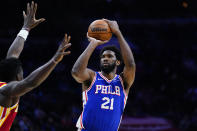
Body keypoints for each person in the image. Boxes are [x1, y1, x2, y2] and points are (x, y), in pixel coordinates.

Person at [0, 1, 71, 130]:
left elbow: (13, 55)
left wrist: (25, 28)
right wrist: (54, 60)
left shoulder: (4, 82)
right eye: (22, 72)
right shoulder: (6, 92)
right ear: (17, 76)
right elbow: (29, 83)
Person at [71, 19, 136, 131]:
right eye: (103, 57)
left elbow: (130, 64)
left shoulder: (123, 82)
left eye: (110, 56)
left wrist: (118, 33)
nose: (105, 58)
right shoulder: (92, 77)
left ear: (118, 62)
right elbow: (76, 72)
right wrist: (93, 43)